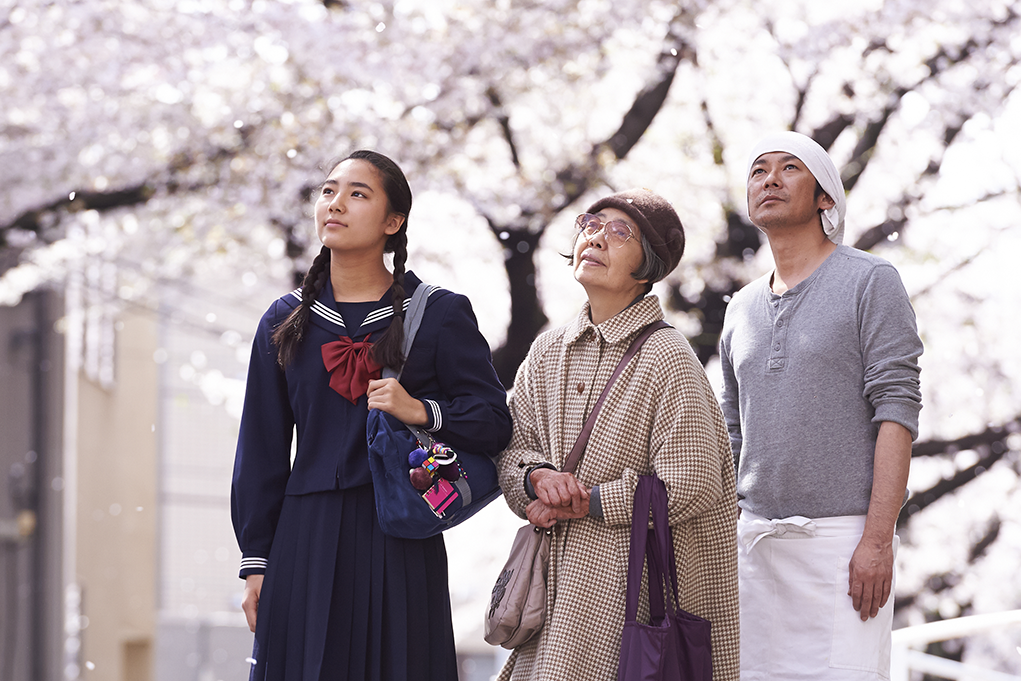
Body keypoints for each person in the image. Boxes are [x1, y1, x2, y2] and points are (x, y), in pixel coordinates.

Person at [230, 150, 512, 681]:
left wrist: (421, 410)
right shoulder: (285, 319)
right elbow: (261, 447)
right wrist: (256, 561)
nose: (335, 204)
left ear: (393, 221)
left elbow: (494, 420)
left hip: (400, 532)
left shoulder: (440, 313)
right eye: (328, 191)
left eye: (358, 194)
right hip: (303, 537)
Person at [495, 189, 740, 681]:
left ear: (647, 267)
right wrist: (536, 478)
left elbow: (692, 483)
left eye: (620, 232)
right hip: (551, 597)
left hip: (630, 600)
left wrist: (588, 500)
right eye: (591, 224)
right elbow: (511, 452)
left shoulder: (668, 357)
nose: (597, 237)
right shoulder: (546, 352)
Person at [719, 131, 923, 681]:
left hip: (846, 546)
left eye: (790, 169)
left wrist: (878, 540)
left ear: (825, 197)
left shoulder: (870, 281)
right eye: (759, 170)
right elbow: (733, 432)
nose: (770, 180)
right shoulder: (739, 308)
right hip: (755, 548)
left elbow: (897, 411)